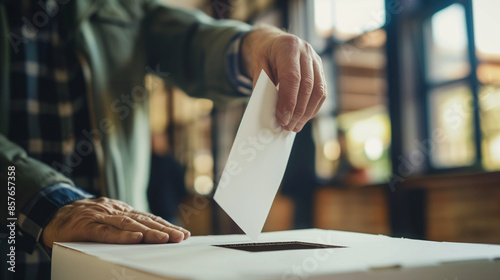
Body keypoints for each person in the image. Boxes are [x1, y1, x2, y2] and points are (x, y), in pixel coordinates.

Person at [0, 0, 326, 278]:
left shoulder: (123, 7)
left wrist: (257, 43)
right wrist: (47, 202)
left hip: (119, 263)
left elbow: (193, 42)